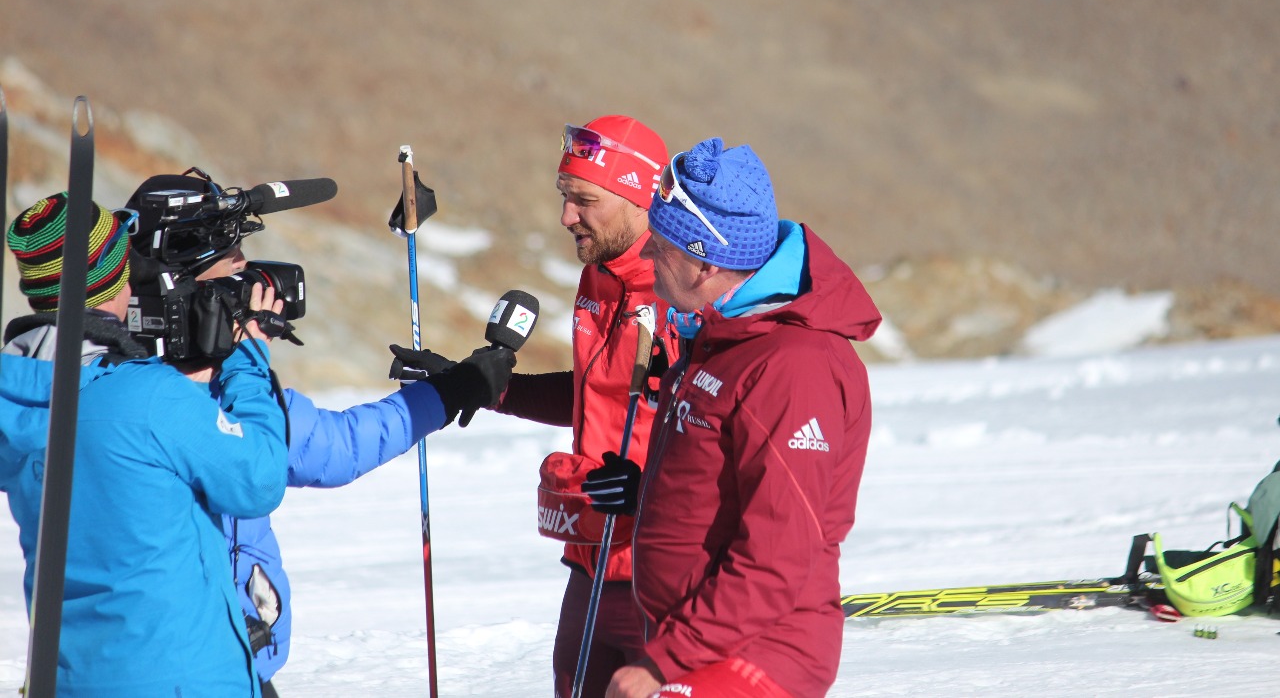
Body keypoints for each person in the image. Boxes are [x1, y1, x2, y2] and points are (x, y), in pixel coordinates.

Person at [123, 170, 516, 695]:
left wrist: (451, 391)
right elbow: (337, 450)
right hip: (207, 668)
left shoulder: (98, 387)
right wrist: (248, 355)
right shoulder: (224, 402)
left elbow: (336, 446)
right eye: (234, 261)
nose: (251, 277)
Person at [395, 115, 679, 698]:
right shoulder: (599, 277)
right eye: (564, 197)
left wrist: (653, 488)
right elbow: (592, 396)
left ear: (636, 197)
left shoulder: (684, 289)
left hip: (665, 570)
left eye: (585, 200)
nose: (566, 217)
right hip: (591, 560)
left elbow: (715, 428)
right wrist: (483, 385)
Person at [599, 138, 882, 698]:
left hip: (757, 651)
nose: (647, 258)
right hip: (698, 640)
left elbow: (777, 559)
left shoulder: (792, 366)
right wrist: (653, 493)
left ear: (705, 260)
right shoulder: (726, 337)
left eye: (660, 245)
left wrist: (661, 665)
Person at [0, 193, 288, 695]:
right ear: (113, 279)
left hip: (69, 677)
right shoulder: (148, 396)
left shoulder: (12, 395)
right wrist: (247, 358)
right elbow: (259, 477)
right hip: (181, 679)